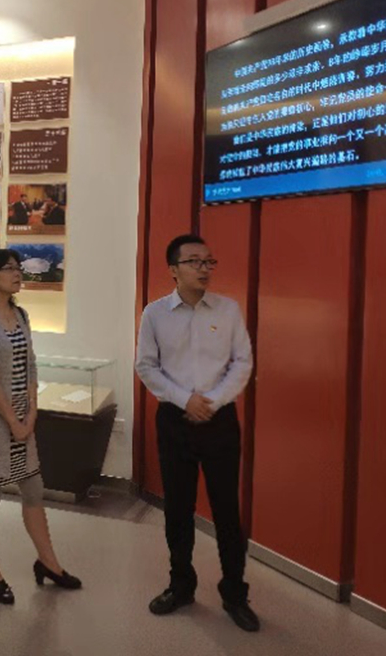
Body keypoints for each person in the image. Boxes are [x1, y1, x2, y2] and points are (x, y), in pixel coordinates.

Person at [135, 234, 259, 633]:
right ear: (173, 269)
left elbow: (242, 362)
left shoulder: (228, 310)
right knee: (178, 508)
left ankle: (235, 593)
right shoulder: (155, 314)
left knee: (226, 511)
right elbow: (146, 366)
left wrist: (213, 401)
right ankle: (181, 585)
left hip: (220, 422)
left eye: (209, 261)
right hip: (175, 421)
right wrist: (184, 399)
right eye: (194, 261)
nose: (204, 268)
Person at [0, 249, 80, 606]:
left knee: (33, 489)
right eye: (9, 269)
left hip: (21, 417)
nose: (17, 274)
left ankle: (49, 562)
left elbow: (31, 365)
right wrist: (13, 421)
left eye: (19, 268)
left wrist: (31, 412)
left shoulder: (22, 314)